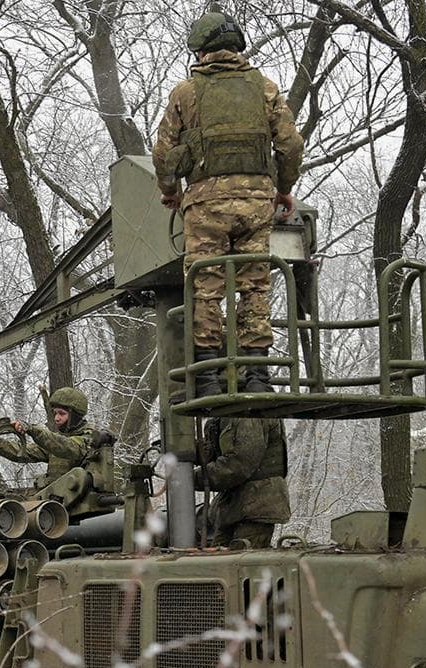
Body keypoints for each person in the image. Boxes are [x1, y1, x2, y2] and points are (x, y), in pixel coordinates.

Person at [152, 10, 304, 396]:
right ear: (237, 47)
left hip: (205, 206)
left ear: (201, 51)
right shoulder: (265, 88)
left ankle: (206, 379)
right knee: (255, 285)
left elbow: (164, 151)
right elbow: (290, 145)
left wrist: (170, 190)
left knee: (205, 285)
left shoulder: (185, 93)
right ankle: (257, 377)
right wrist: (283, 187)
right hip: (256, 203)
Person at [0, 387, 100, 510]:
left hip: (80, 507)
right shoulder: (57, 442)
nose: (57, 418)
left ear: (75, 416)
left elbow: (70, 447)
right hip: (57, 507)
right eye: (55, 413)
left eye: (62, 414)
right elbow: (23, 452)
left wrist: (32, 430)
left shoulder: (90, 438)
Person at [196, 416, 290, 548]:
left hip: (256, 506)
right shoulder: (225, 415)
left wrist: (192, 478)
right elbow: (216, 453)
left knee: (240, 564)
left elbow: (238, 465)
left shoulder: (249, 414)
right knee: (217, 563)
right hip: (233, 508)